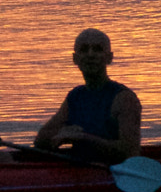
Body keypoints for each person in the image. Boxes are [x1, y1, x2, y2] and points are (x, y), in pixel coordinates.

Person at [33, 28, 142, 164]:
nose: (90, 55)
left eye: (97, 49)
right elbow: (40, 141)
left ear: (109, 57)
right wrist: (63, 131)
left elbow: (129, 153)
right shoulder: (75, 97)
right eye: (84, 49)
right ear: (75, 59)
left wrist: (83, 138)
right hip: (80, 171)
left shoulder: (124, 99)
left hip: (108, 173)